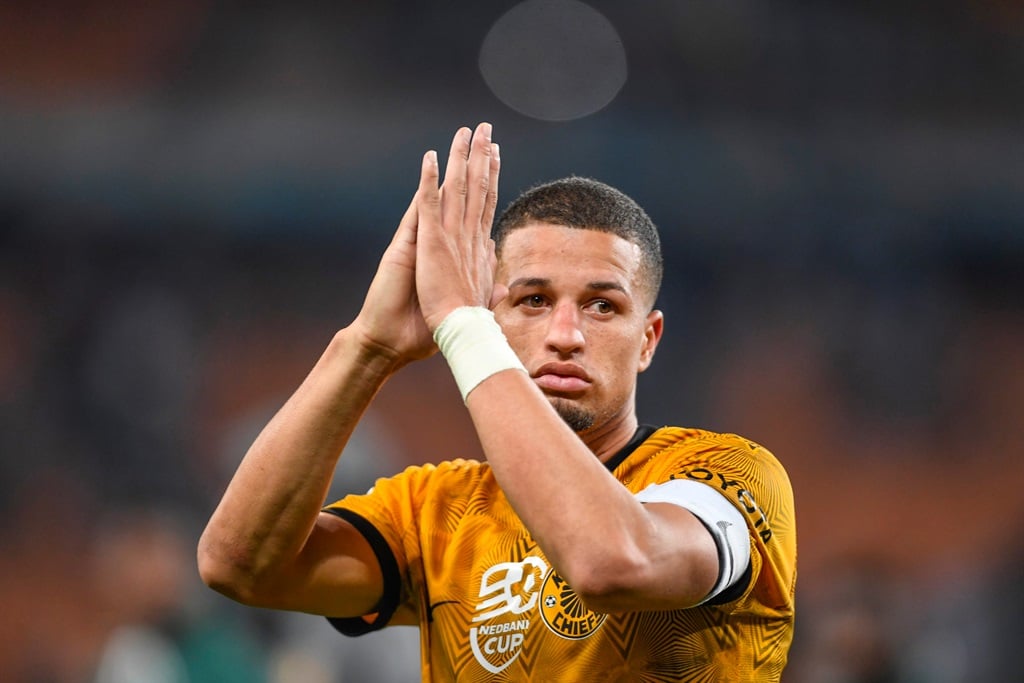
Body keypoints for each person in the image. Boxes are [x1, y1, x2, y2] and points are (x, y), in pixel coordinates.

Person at [198, 122, 797, 681]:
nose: (566, 334)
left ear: (648, 339)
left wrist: (463, 327)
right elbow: (238, 566)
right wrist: (367, 346)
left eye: (602, 305)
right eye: (533, 300)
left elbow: (611, 563)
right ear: (494, 318)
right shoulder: (437, 511)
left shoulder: (728, 477)